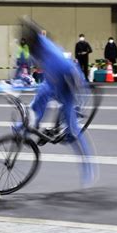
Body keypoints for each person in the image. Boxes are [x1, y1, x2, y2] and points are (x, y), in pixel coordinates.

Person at [22, 17, 96, 186]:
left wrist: (79, 100)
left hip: (67, 83)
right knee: (37, 102)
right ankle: (28, 130)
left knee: (72, 130)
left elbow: (76, 78)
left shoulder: (53, 54)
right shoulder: (34, 47)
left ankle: (88, 167)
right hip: (51, 81)